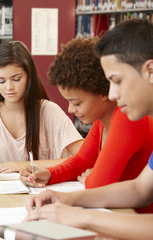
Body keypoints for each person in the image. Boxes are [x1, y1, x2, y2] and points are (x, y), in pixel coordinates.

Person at [25, 19, 153, 240]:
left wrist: (81, 217)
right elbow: (141, 190)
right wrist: (67, 199)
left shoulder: (128, 119)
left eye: (117, 81)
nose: (111, 94)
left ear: (150, 71)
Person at [0, 41, 83, 180]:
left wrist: (22, 165)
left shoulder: (48, 110)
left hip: (38, 194)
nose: (9, 87)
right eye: (1, 81)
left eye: (16, 79)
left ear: (29, 77)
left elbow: (84, 158)